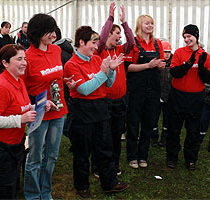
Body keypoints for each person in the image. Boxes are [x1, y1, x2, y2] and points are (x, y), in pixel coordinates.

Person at [0, 44, 56, 199]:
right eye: (19, 59)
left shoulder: (19, 80)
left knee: (12, 188)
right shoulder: (1, 86)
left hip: (15, 145)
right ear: (5, 63)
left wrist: (40, 106)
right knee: (1, 191)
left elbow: (22, 106)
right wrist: (20, 119)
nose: (24, 63)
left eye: (25, 59)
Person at [64, 25, 129, 198]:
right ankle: (82, 185)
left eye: (96, 43)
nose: (95, 47)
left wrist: (111, 71)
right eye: (93, 43)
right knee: (82, 151)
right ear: (81, 42)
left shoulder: (95, 59)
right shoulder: (71, 64)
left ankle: (110, 183)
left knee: (105, 148)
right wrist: (103, 73)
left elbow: (107, 84)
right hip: (82, 111)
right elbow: (85, 89)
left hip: (100, 108)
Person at [21, 13, 70, 200]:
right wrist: (38, 103)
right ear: (38, 33)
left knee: (52, 156)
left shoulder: (56, 51)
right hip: (39, 115)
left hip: (59, 111)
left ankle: (45, 191)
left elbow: (56, 77)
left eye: (53, 29)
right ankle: (33, 195)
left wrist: (66, 81)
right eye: (49, 31)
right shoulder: (27, 57)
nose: (53, 34)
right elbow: (22, 90)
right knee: (35, 158)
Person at [93, 2, 134, 177]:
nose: (119, 37)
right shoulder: (100, 50)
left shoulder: (120, 49)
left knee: (117, 135)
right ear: (108, 33)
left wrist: (124, 23)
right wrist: (110, 18)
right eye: (116, 33)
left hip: (120, 100)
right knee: (103, 135)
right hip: (105, 100)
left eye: (120, 34)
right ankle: (97, 166)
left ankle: (114, 165)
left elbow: (131, 42)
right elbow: (101, 39)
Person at [167, 24, 210, 170]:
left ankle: (191, 158)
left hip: (196, 98)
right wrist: (188, 63)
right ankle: (172, 157)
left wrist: (200, 67)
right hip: (178, 96)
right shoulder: (179, 52)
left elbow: (208, 78)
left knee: (193, 130)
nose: (187, 40)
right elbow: (175, 72)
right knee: (174, 128)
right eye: (185, 37)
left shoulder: (205, 56)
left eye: (189, 36)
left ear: (196, 36)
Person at [126, 14, 166, 169]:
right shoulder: (133, 43)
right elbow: (128, 67)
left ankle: (143, 155)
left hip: (154, 89)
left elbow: (162, 63)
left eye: (152, 23)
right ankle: (132, 156)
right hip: (137, 89)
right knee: (133, 122)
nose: (150, 25)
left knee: (149, 123)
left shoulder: (158, 44)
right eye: (147, 23)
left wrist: (160, 65)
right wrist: (147, 66)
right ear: (139, 25)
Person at [151, 41, 173, 147]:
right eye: (165, 52)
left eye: (169, 52)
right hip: (157, 96)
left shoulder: (174, 64)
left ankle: (164, 138)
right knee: (154, 118)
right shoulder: (156, 64)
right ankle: (154, 138)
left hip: (168, 97)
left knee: (167, 119)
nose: (167, 54)